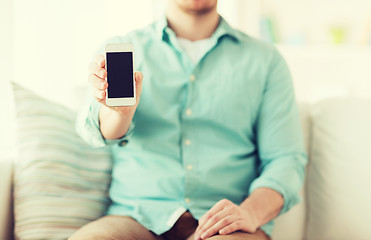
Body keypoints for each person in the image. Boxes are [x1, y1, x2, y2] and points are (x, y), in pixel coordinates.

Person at [71, 0, 307, 239]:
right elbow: (93, 130)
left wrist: (250, 213)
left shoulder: (265, 60)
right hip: (136, 219)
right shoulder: (124, 47)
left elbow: (285, 160)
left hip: (225, 226)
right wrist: (118, 114)